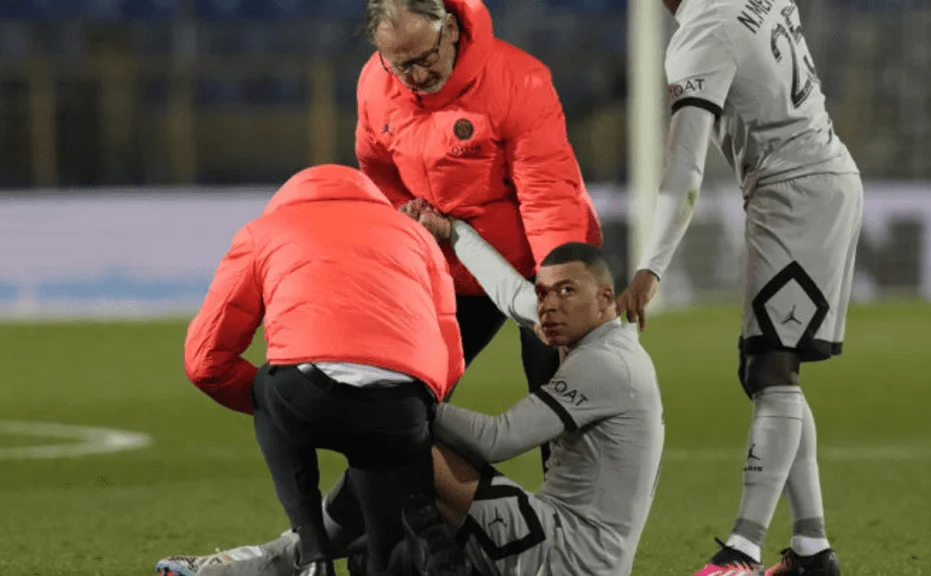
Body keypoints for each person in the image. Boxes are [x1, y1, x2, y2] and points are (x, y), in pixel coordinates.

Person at [155, 213, 664, 576]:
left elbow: (499, 439)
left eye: (566, 291)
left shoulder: (607, 363)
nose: (548, 304)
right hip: (558, 536)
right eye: (545, 291)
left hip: (566, 556)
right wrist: (455, 232)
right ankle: (302, 559)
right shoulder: (587, 335)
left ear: (605, 298)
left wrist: (408, 399)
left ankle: (282, 561)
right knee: (390, 470)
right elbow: (511, 294)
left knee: (396, 443)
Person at [616, 0, 862, 575]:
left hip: (796, 191)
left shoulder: (703, 30)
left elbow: (685, 168)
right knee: (769, 368)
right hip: (812, 179)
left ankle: (741, 552)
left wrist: (651, 267)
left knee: (771, 368)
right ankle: (811, 551)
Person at [174, 164, 468, 576]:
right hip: (401, 409)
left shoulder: (266, 230)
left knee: (266, 389)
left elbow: (205, 360)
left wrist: (274, 401)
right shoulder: (416, 235)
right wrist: (414, 403)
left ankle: (313, 555)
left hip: (306, 394)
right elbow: (451, 358)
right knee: (385, 550)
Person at [356, 0, 603, 418]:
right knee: (407, 403)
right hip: (451, 265)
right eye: (400, 65)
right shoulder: (374, 84)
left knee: (559, 410)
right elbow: (377, 167)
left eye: (424, 59)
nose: (415, 77)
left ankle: (564, 486)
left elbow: (548, 196)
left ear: (450, 29)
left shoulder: (519, 81)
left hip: (534, 263)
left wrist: (561, 287)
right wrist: (404, 211)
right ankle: (410, 485)